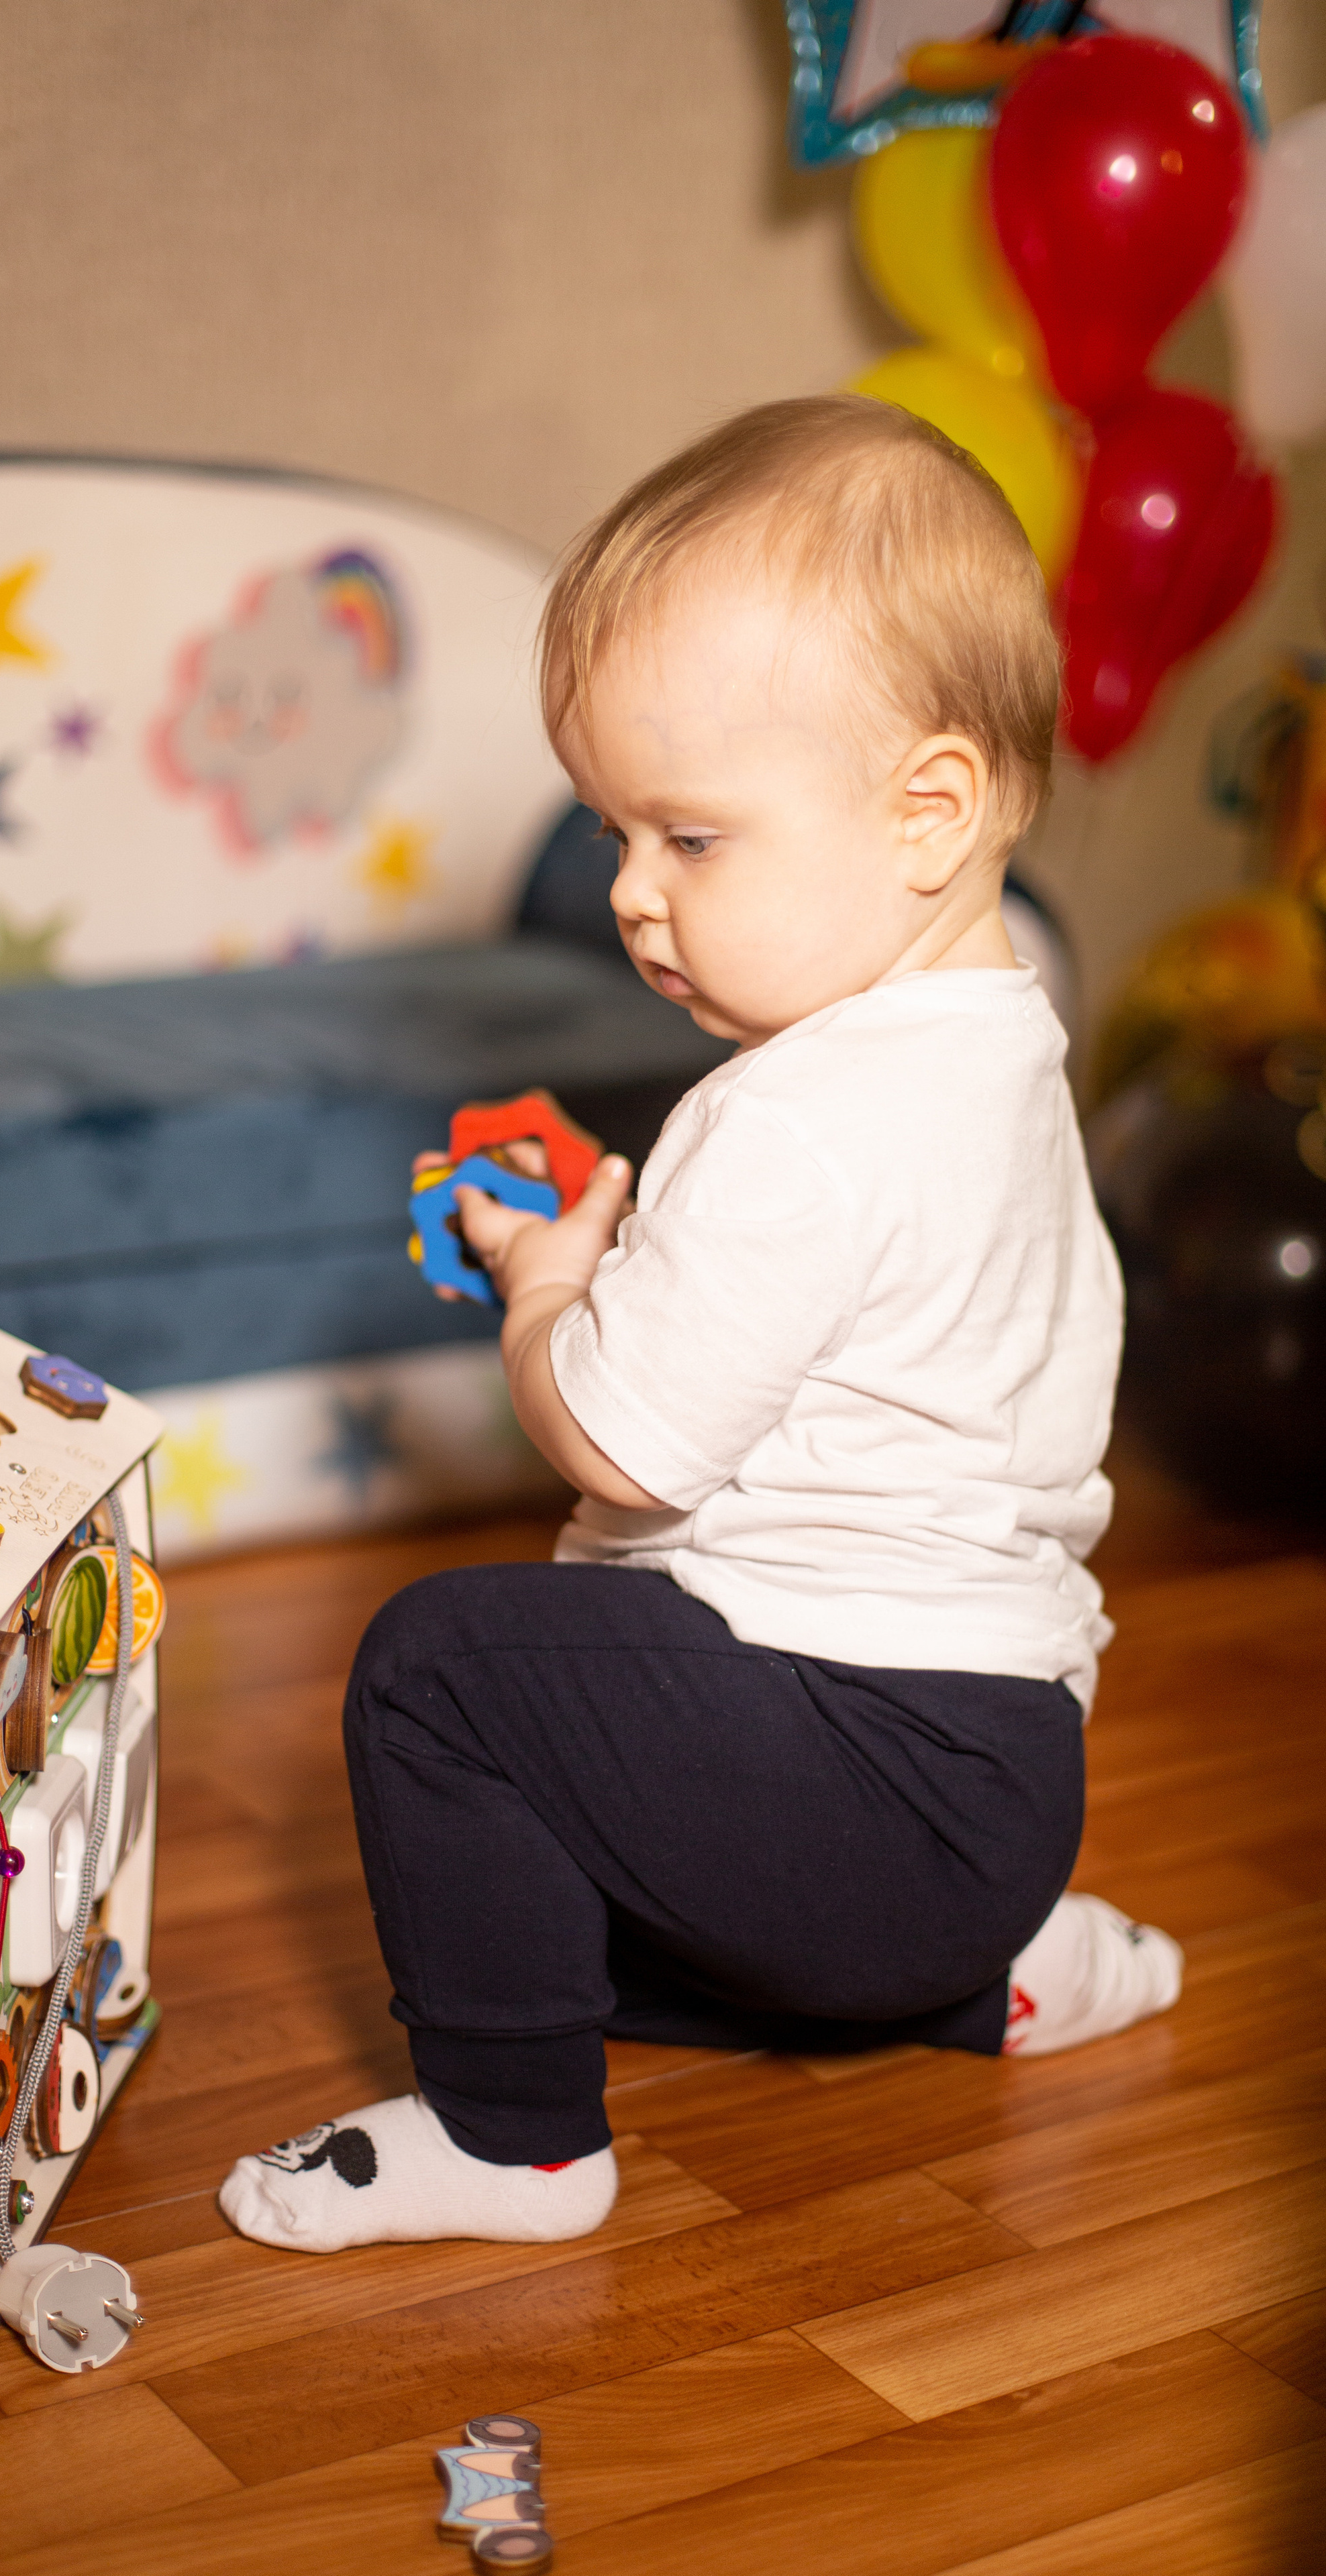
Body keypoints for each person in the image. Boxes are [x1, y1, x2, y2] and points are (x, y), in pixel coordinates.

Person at [219, 394, 1182, 2253]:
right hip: (994, 1784)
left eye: (690, 837)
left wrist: (550, 1289)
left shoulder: (797, 1117)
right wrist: (642, 1238)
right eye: (609, 829)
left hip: (873, 1781)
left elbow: (622, 1444)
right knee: (560, 1860)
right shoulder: (1003, 1066)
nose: (629, 895)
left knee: (445, 1674)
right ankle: (987, 1979)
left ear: (930, 812)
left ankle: (516, 2147)